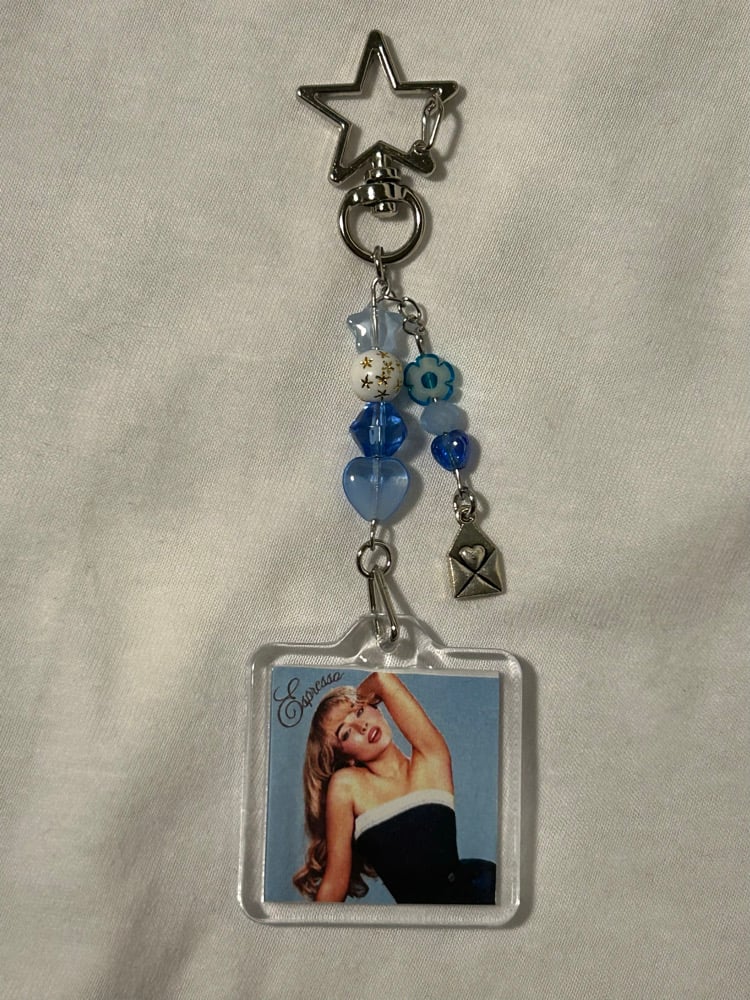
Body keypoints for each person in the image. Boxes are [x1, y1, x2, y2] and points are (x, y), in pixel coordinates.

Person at [292, 671, 496, 904]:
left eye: (359, 711)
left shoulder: (431, 759)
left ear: (375, 707)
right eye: (346, 733)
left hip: (481, 897)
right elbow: (335, 883)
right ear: (344, 757)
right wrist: (309, 927)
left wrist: (353, 698)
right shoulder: (347, 786)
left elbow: (382, 679)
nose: (361, 726)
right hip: (419, 923)